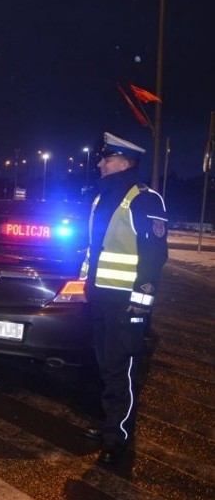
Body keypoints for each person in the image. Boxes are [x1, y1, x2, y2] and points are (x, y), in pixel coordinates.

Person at [80, 132, 168, 465]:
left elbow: (154, 256)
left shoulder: (145, 200)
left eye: (106, 158)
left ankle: (119, 439)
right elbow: (97, 250)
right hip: (100, 299)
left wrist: (140, 305)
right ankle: (108, 425)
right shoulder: (102, 198)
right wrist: (87, 287)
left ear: (124, 163)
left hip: (125, 303)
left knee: (122, 370)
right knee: (103, 365)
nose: (100, 163)